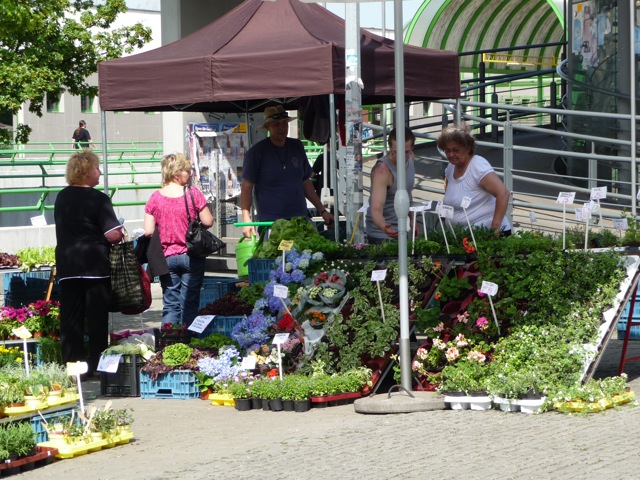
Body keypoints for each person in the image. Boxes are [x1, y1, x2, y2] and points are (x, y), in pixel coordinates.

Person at [54, 150, 124, 379]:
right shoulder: (99, 199)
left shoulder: (61, 197)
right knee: (96, 319)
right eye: (97, 168)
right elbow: (112, 234)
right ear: (86, 171)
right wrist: (119, 232)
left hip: (68, 264)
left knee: (71, 318)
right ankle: (97, 365)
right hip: (94, 266)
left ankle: (73, 367)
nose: (100, 172)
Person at [240, 105, 334, 238]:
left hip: (301, 220)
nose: (282, 128)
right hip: (272, 223)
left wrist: (322, 210)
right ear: (268, 127)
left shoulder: (297, 146)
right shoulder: (256, 153)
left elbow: (305, 181)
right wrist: (246, 218)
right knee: (277, 257)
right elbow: (246, 187)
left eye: (284, 123)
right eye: (276, 124)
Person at [144, 153, 214, 327]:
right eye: (186, 171)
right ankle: (190, 344)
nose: (189, 174)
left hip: (166, 258)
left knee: (170, 304)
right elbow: (208, 221)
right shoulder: (192, 193)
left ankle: (168, 345)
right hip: (191, 255)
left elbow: (148, 231)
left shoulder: (155, 198)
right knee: (190, 303)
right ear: (176, 174)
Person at [437, 124, 511, 236]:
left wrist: (495, 228)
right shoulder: (452, 166)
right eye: (447, 151)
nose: (451, 154)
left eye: (456, 150)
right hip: (462, 234)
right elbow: (449, 186)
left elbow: (503, 193)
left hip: (485, 234)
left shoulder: (478, 166)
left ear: (468, 148)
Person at [365, 127, 416, 244]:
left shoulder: (411, 159)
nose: (402, 156)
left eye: (406, 152)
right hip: (380, 234)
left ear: (412, 148)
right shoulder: (382, 171)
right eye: (397, 152)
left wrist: (413, 219)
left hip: (402, 229)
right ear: (390, 148)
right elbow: (376, 208)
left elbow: (407, 191)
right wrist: (384, 227)